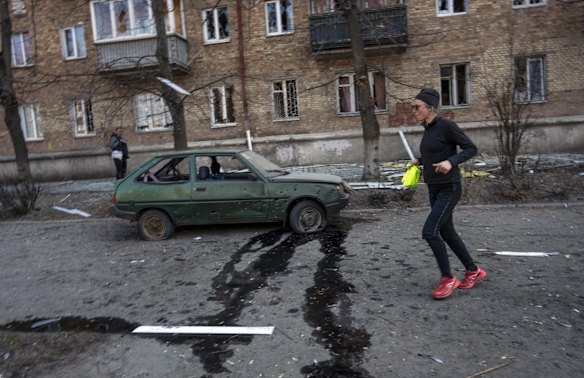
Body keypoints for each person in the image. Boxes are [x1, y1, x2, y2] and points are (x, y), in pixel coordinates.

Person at [410, 88, 487, 299]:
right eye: (413, 108)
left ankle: (448, 278)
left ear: (430, 107)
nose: (414, 111)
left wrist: (450, 162)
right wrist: (419, 161)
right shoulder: (428, 130)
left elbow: (470, 148)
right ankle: (474, 271)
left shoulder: (446, 126)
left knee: (429, 231)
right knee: (447, 232)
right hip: (434, 189)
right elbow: (435, 153)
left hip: (448, 188)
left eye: (417, 107)